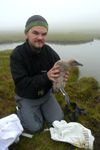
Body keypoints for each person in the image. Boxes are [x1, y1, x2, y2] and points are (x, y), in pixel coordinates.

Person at [10, 15, 69, 133]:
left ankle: (43, 108)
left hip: (45, 95)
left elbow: (58, 69)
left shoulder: (49, 52)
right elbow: (21, 84)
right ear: (26, 34)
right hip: (27, 96)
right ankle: (21, 107)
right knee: (35, 128)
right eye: (35, 33)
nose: (40, 38)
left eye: (44, 34)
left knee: (58, 120)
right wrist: (46, 77)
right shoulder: (17, 55)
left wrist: (61, 77)